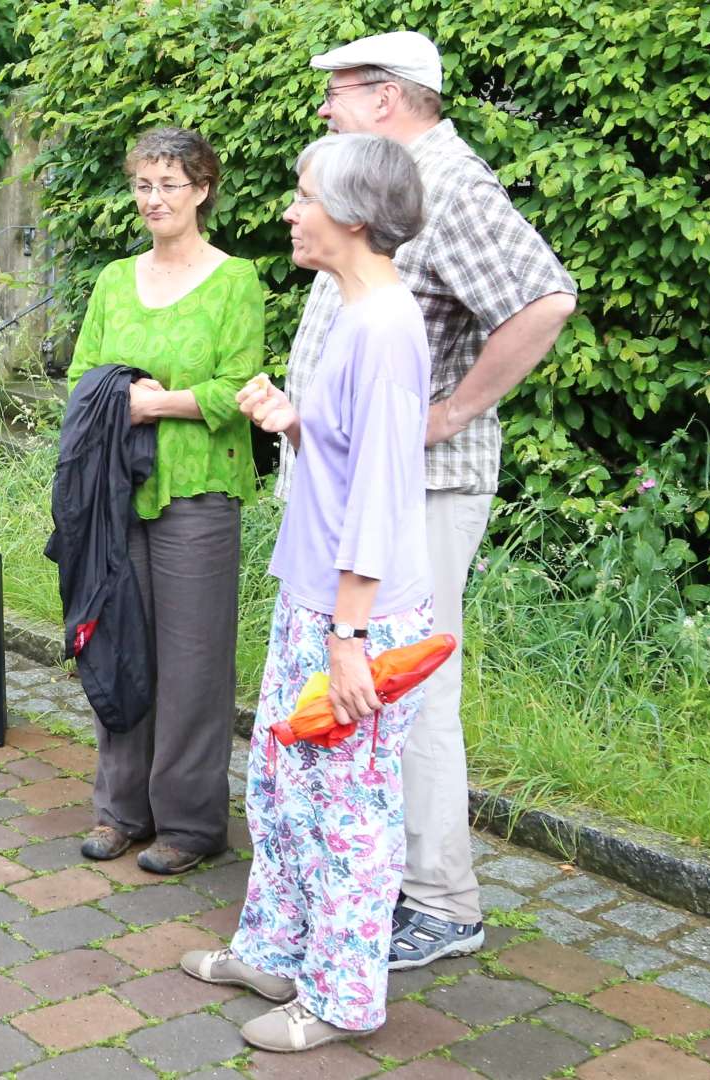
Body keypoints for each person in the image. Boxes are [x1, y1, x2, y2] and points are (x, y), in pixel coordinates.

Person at [282, 32, 577, 968]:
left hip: (421, 489)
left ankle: (442, 901)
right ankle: (382, 879)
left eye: (337, 92)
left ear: (385, 96)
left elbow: (544, 300)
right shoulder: (386, 179)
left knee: (408, 686)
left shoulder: (448, 183)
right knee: (385, 685)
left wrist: (452, 412)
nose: (325, 106)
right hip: (371, 487)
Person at [183, 133, 432, 1052]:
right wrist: (293, 421)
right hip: (319, 599)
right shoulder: (349, 307)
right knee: (284, 784)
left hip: (355, 615)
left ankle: (341, 997)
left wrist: (348, 635)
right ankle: (279, 952)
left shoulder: (386, 326)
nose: (290, 211)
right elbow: (347, 452)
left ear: (356, 217)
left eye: (304, 196)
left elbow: (380, 491)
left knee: (349, 809)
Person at [67, 126, 264, 875]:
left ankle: (189, 822)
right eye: (144, 185)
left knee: (191, 662)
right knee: (119, 644)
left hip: (199, 493)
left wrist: (155, 404)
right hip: (119, 491)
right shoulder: (116, 279)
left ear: (203, 189)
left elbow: (239, 389)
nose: (154, 199)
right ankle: (121, 810)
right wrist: (118, 395)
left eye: (170, 185)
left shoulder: (234, 280)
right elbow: (85, 373)